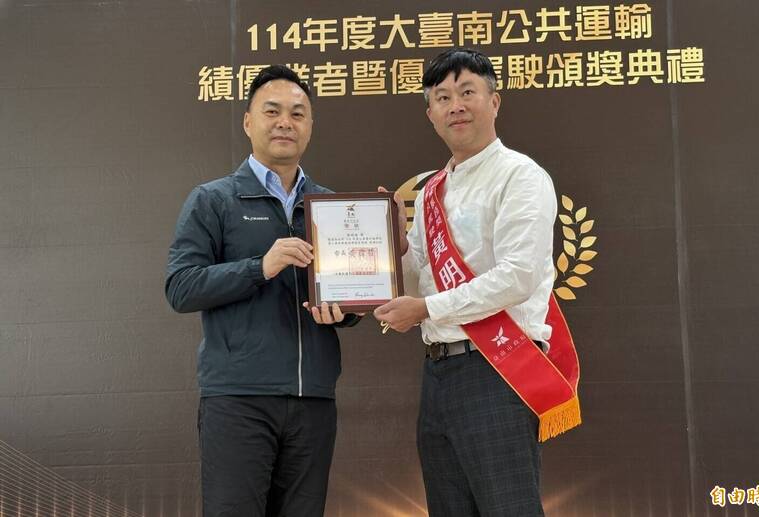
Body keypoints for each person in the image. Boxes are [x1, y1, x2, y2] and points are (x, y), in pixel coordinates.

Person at [375, 48, 580, 516]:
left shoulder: (520, 176)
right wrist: (398, 245)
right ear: (430, 114)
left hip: (496, 371)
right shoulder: (431, 191)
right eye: (442, 97)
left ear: (494, 101)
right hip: (438, 374)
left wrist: (426, 309)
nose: (456, 106)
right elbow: (420, 282)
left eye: (467, 92)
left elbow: (517, 277)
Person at [165, 65, 360, 517]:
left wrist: (348, 310)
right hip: (239, 398)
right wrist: (260, 267)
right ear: (248, 121)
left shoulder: (331, 207)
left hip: (313, 400)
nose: (285, 122)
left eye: (297, 113)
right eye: (272, 111)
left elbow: (348, 295)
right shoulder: (213, 200)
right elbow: (181, 287)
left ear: (310, 125)